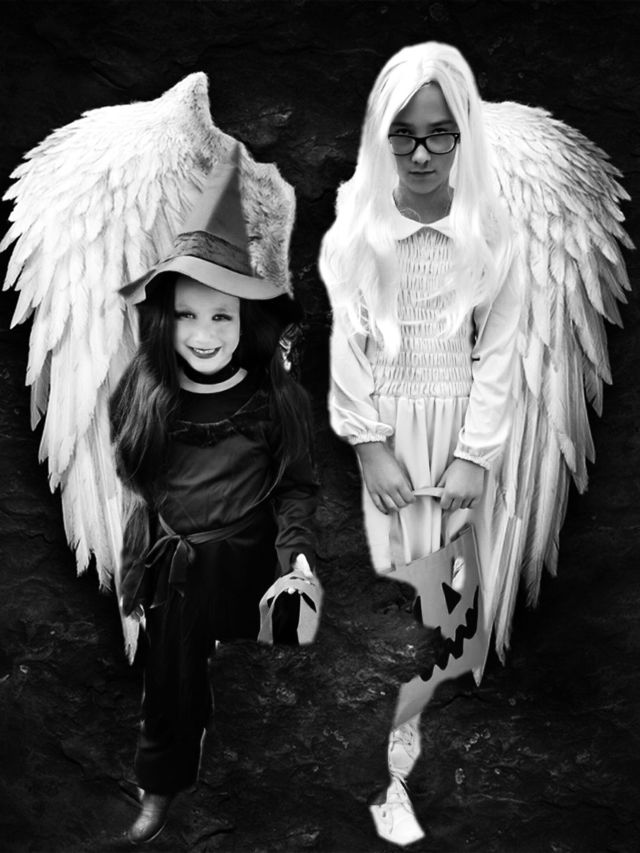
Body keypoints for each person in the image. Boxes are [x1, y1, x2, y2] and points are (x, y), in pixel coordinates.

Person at [319, 42, 521, 846]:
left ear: (463, 134)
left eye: (440, 134)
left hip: (462, 435)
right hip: (390, 434)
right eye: (404, 135)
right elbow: (348, 345)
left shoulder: (492, 235)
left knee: (454, 609)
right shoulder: (358, 229)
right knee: (393, 601)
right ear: (383, 137)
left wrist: (475, 454)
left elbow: (498, 351)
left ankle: (422, 764)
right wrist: (369, 444)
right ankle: (383, 773)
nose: (423, 154)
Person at [110, 152, 318, 844]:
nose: (204, 335)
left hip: (248, 559)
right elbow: (140, 491)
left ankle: (259, 786)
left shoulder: (273, 399)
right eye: (187, 315)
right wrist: (136, 577)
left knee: (239, 653)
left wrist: (297, 557)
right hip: (177, 566)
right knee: (169, 674)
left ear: (245, 320)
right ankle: (160, 785)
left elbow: (296, 485)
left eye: (222, 316)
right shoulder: (144, 394)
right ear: (164, 320)